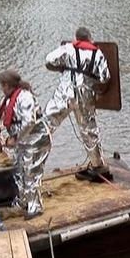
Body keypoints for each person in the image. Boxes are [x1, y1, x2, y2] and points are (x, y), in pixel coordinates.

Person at [45, 27, 112, 182]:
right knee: (89, 130)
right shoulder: (98, 54)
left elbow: (49, 60)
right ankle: (97, 166)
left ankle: (33, 158)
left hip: (64, 94)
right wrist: (93, 81)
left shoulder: (67, 49)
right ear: (90, 38)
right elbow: (105, 77)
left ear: (76, 38)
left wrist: (62, 67)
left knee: (47, 125)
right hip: (85, 96)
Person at [0, 69, 52, 219]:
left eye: (2, 85)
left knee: (30, 172)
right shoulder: (7, 99)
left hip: (36, 140)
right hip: (22, 142)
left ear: (7, 85)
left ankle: (35, 206)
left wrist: (15, 139)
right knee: (18, 170)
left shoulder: (25, 97)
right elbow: (2, 119)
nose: (1, 89)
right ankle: (23, 200)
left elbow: (29, 122)